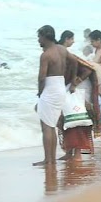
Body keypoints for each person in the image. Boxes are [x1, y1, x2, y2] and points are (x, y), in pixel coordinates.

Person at [34, 25, 77, 166]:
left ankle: (48, 159)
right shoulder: (62, 50)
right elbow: (75, 61)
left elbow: (41, 77)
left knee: (46, 126)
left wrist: (40, 92)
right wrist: (74, 80)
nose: (38, 40)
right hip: (60, 86)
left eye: (39, 37)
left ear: (45, 37)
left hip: (50, 88)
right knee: (51, 124)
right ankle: (50, 159)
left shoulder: (46, 55)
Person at [58, 56, 100, 161]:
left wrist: (75, 83)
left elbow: (88, 70)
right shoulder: (62, 59)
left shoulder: (70, 59)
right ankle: (69, 152)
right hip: (71, 96)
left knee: (78, 127)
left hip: (78, 96)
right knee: (66, 123)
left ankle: (77, 154)